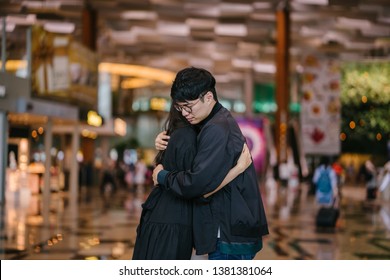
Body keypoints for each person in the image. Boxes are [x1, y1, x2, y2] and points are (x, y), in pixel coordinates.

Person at [153, 66, 269, 260]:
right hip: (230, 230)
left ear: (208, 97)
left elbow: (197, 184)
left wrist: (162, 175)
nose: (184, 113)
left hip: (230, 235)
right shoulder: (212, 121)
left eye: (188, 106)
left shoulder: (217, 129)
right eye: (179, 107)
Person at [132, 103, 252, 260]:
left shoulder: (184, 134)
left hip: (163, 216)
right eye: (184, 106)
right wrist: (238, 168)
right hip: (172, 221)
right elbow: (199, 187)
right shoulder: (190, 137)